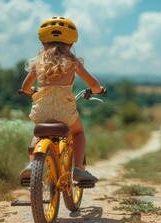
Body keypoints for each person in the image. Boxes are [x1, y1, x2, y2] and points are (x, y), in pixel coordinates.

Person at [20, 16, 104, 183]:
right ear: (71, 43)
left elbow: (25, 88)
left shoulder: (38, 63)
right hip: (65, 113)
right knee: (78, 132)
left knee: (39, 132)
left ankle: (31, 166)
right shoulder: (73, 62)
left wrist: (31, 91)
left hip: (41, 111)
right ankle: (78, 169)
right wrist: (98, 90)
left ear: (43, 42)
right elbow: (93, 84)